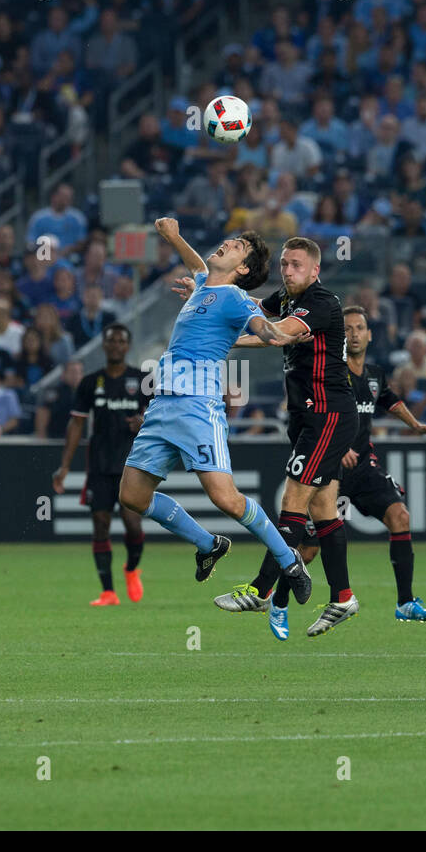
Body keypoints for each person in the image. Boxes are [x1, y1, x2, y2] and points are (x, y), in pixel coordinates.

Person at [117, 217, 312, 605]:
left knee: (225, 498)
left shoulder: (236, 298)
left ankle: (288, 559)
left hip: (196, 407)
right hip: (163, 404)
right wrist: (175, 236)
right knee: (132, 496)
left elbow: (262, 327)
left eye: (238, 245)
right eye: (231, 239)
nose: (228, 242)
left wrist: (279, 334)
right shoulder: (205, 285)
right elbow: (199, 269)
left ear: (243, 269)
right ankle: (208, 544)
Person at [213, 236, 362, 639]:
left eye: (296, 264)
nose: (288, 270)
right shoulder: (285, 298)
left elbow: (277, 334)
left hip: (328, 415)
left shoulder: (321, 303)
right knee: (324, 510)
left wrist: (236, 334)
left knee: (293, 500)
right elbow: (256, 316)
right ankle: (344, 596)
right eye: (283, 263)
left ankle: (261, 589)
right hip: (305, 418)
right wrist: (208, 300)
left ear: (314, 270)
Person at [270, 306, 426, 623]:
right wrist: (338, 444)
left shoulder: (374, 374)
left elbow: (389, 399)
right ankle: (279, 604)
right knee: (308, 550)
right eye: (347, 329)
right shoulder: (330, 372)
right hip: (329, 469)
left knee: (400, 516)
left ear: (369, 333)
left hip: (363, 467)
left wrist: (415, 425)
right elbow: (311, 411)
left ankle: (405, 603)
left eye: (359, 327)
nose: (354, 334)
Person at [51, 324, 150, 606]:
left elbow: (162, 416)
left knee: (132, 523)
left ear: (127, 346)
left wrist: (144, 422)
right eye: (111, 341)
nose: (116, 345)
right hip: (99, 464)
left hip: (132, 465)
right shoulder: (90, 382)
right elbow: (77, 423)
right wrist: (65, 467)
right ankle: (108, 591)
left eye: (121, 340)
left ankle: (131, 569)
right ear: (104, 346)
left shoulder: (142, 380)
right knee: (100, 524)